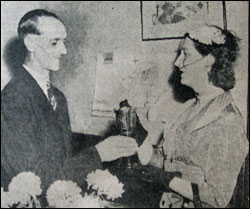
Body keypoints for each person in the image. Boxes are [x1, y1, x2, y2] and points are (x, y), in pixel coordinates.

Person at [1, 9, 138, 199]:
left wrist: (104, 149)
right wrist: (97, 154)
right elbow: (29, 178)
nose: (64, 50)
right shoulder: (13, 97)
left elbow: (63, 158)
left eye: (64, 41)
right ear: (30, 43)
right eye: (54, 42)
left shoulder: (58, 96)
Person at [137, 25, 249, 208]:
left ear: (209, 61)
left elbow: (217, 197)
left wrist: (167, 179)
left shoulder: (227, 120)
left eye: (185, 54)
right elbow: (168, 162)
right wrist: (138, 138)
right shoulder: (189, 107)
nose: (177, 62)